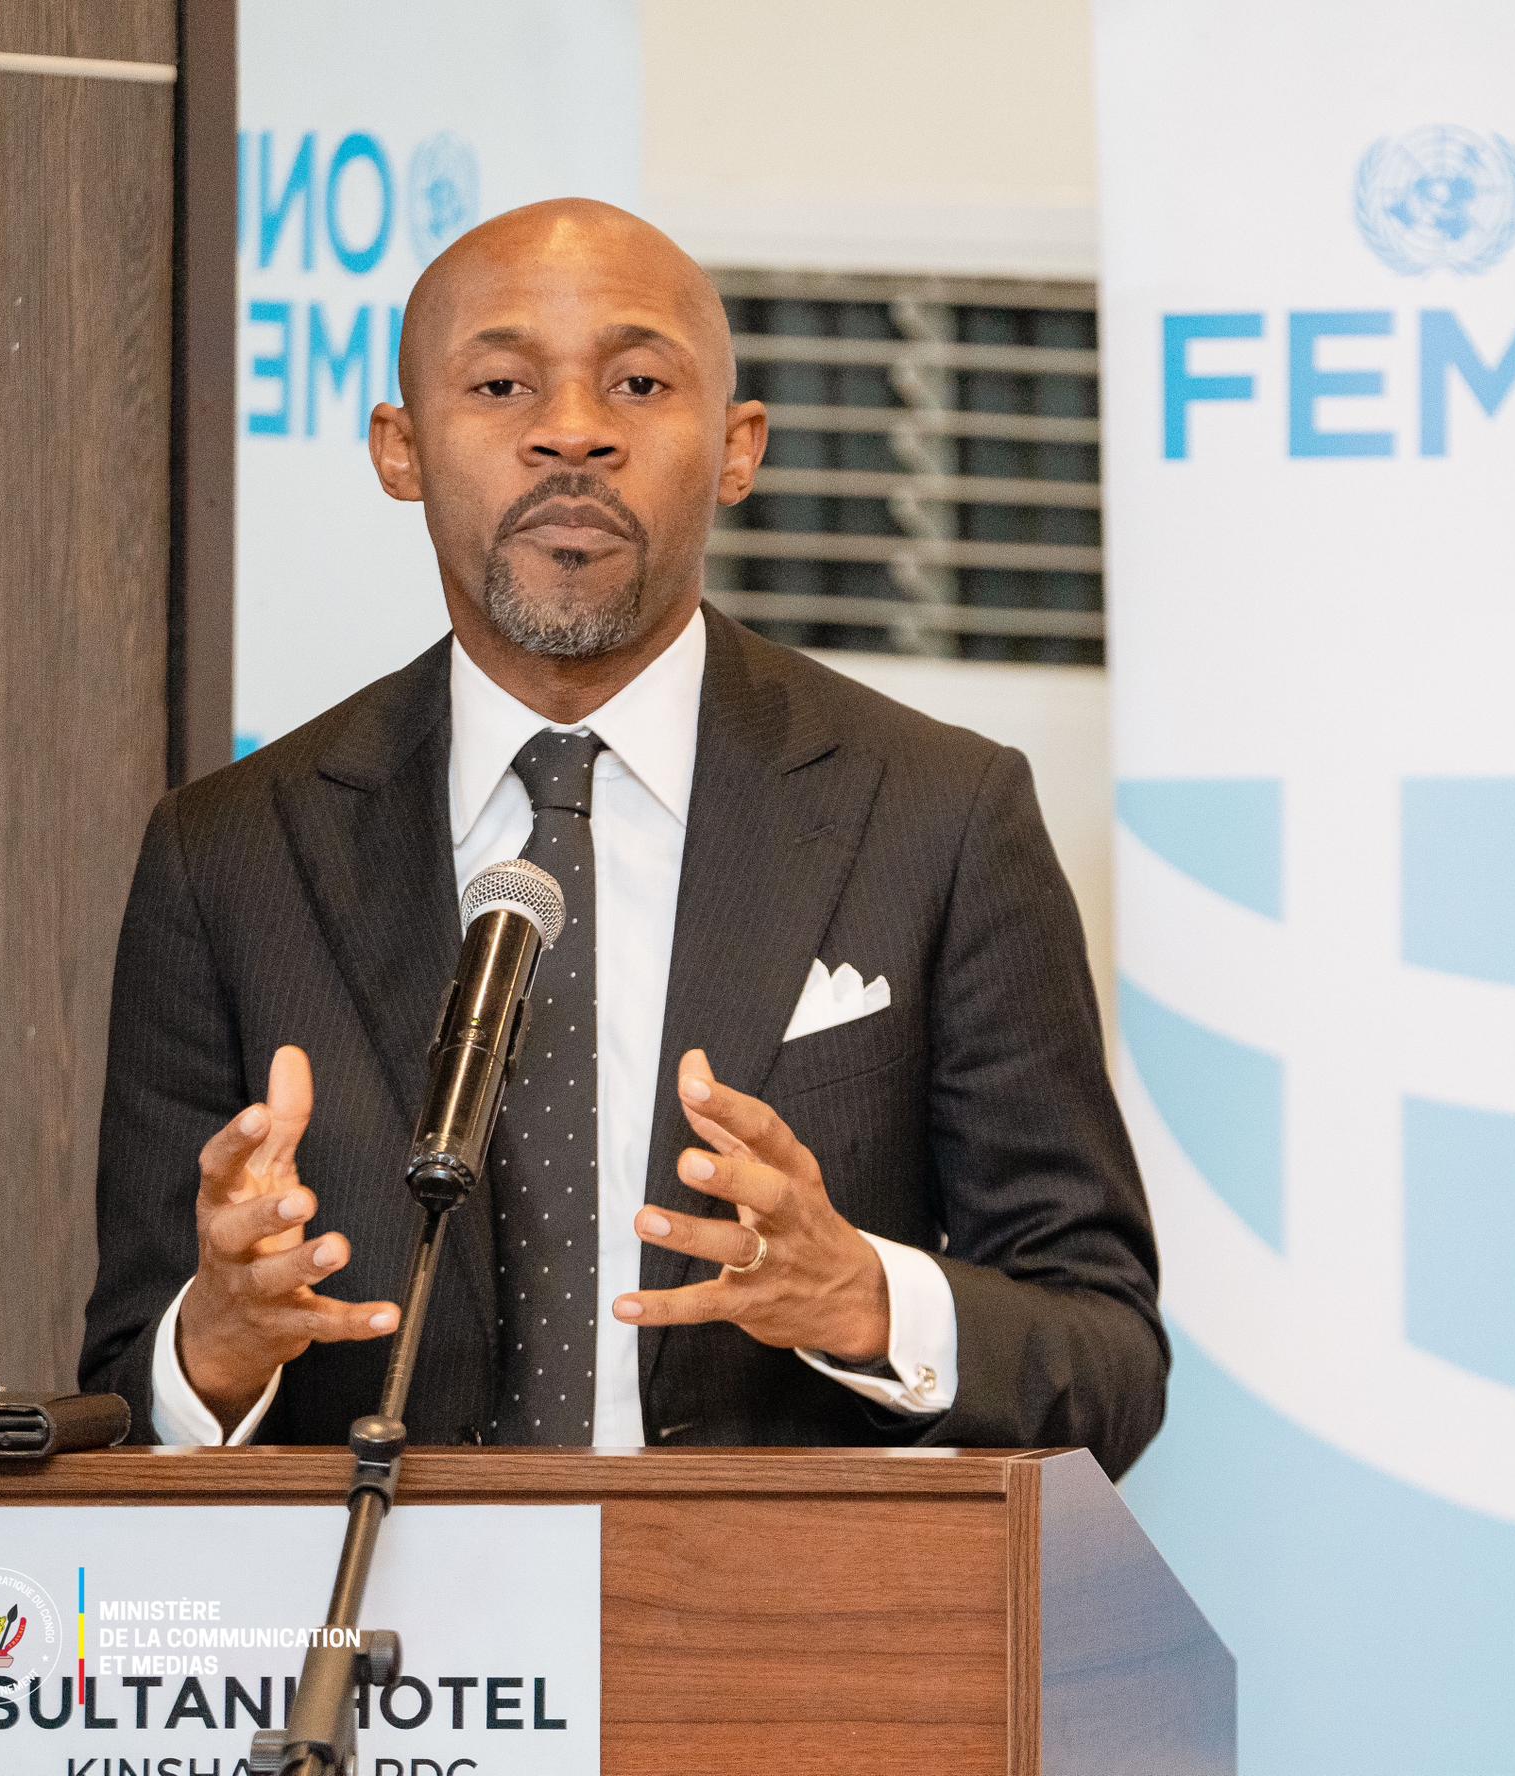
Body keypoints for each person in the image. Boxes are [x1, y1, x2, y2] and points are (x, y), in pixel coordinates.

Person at [78, 199, 1164, 1477]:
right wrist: (217, 1346)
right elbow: (127, 1384)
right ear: (400, 449)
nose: (573, 431)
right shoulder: (230, 854)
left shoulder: (938, 814)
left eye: (639, 383)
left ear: (737, 448)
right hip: (389, 1603)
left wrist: (863, 1299)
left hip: (780, 1601)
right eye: (501, 385)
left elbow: (1108, 1364)